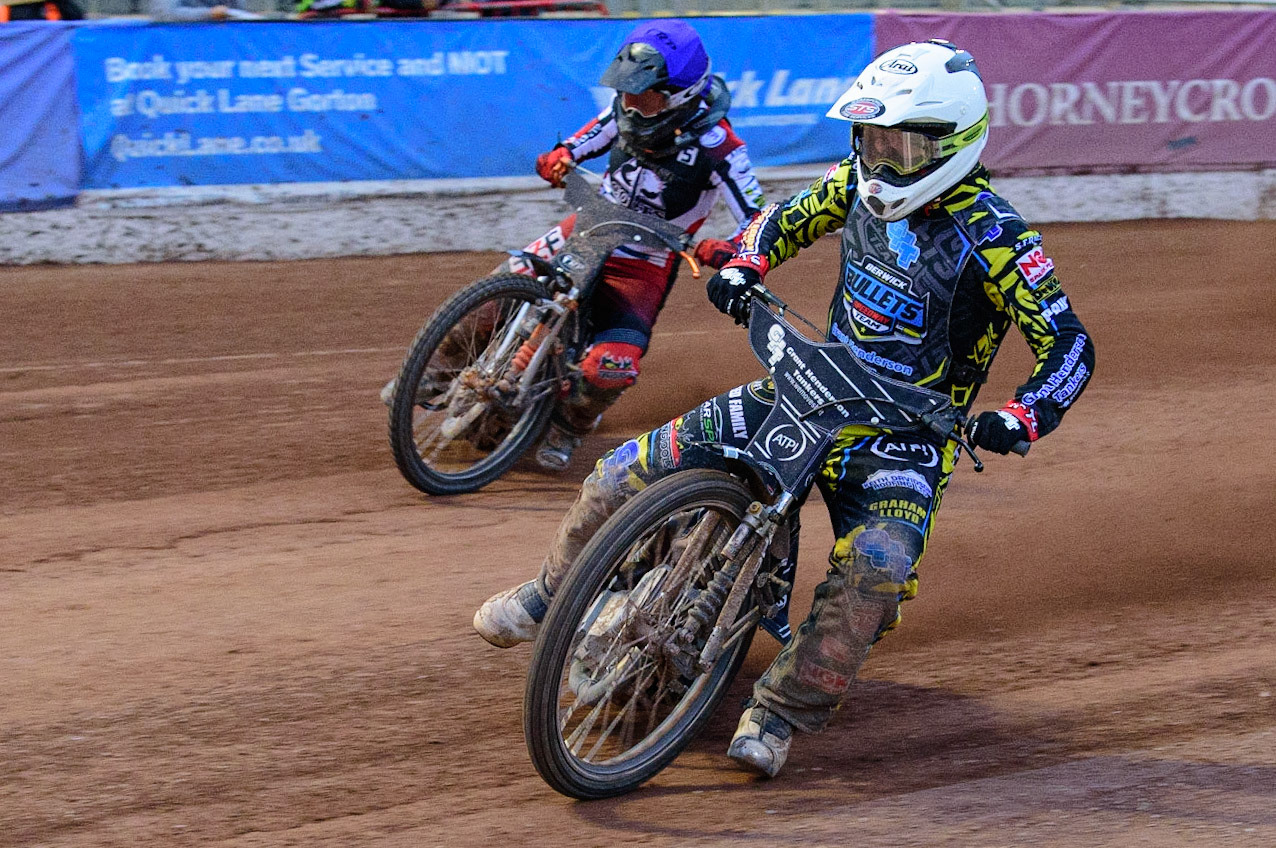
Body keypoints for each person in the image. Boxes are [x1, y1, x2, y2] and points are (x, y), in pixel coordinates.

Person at [473, 39, 1095, 778]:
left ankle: (778, 711)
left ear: (950, 144)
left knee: (877, 569)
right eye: (869, 138)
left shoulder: (997, 236)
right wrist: (745, 262)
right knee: (621, 472)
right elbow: (782, 220)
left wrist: (1023, 417)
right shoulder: (851, 182)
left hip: (902, 437)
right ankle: (550, 595)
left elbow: (1069, 344)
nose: (879, 159)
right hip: (807, 387)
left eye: (899, 144)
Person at [382, 20, 766, 472]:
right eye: (624, 91)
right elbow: (584, 141)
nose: (629, 103)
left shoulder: (721, 148)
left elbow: (759, 220)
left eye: (642, 95)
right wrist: (560, 155)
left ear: (678, 95)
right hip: (586, 228)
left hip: (642, 265)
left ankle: (571, 424)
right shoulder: (624, 111)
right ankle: (432, 374)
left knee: (614, 364)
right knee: (501, 287)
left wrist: (732, 250)